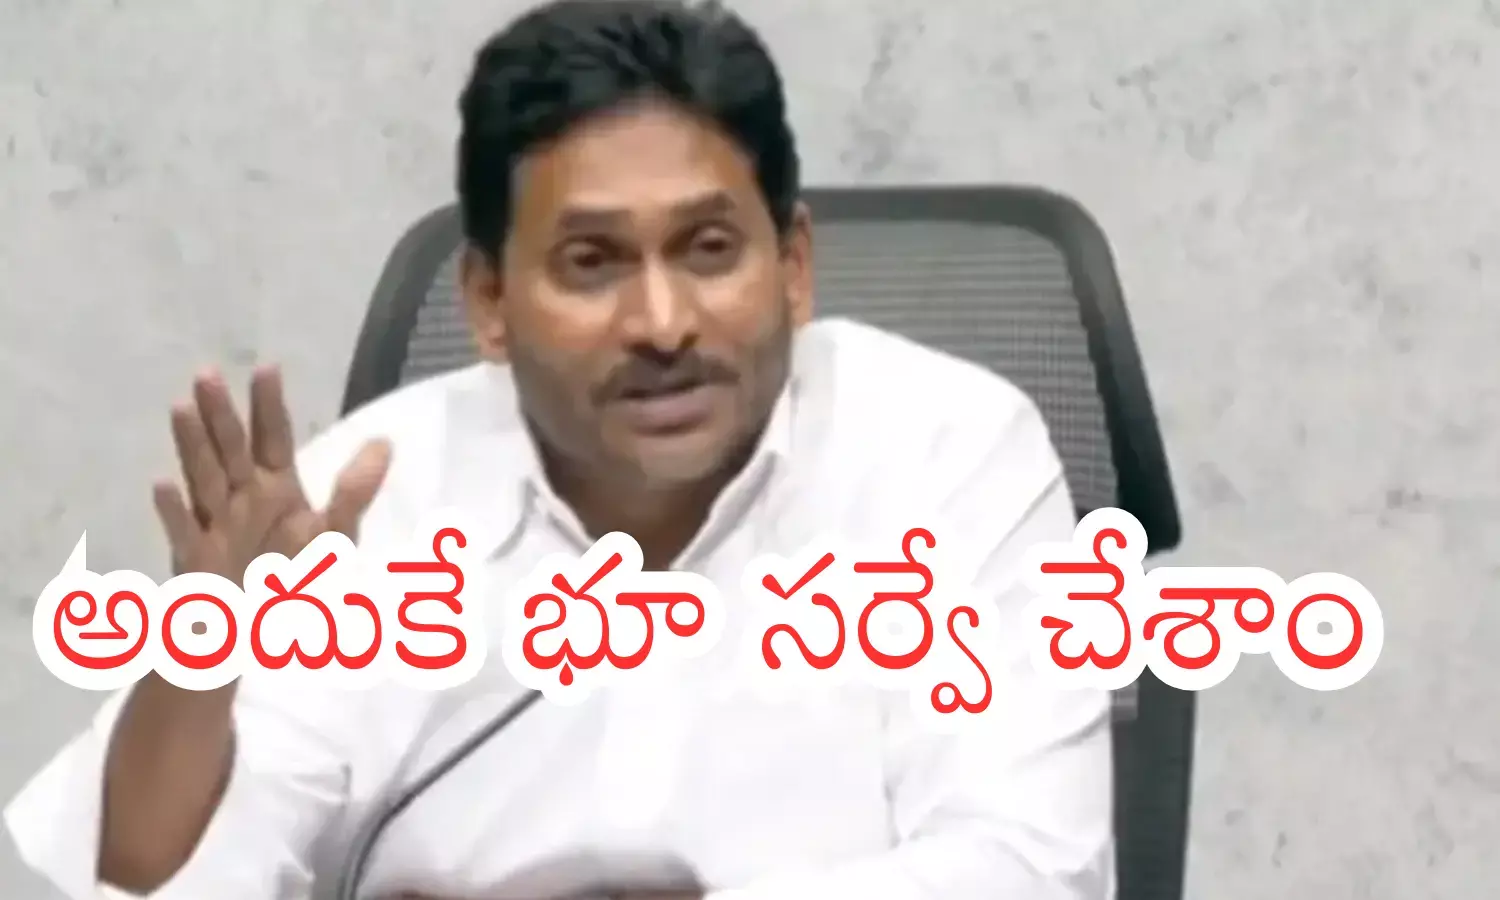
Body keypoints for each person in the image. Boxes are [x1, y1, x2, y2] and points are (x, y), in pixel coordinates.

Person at [4, 1, 1113, 898]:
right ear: (489, 301)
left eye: (710, 249)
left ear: (793, 266)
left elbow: (1027, 871)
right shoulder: (372, 499)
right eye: (592, 262)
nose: (663, 323)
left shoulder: (949, 453)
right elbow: (144, 884)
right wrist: (200, 662)